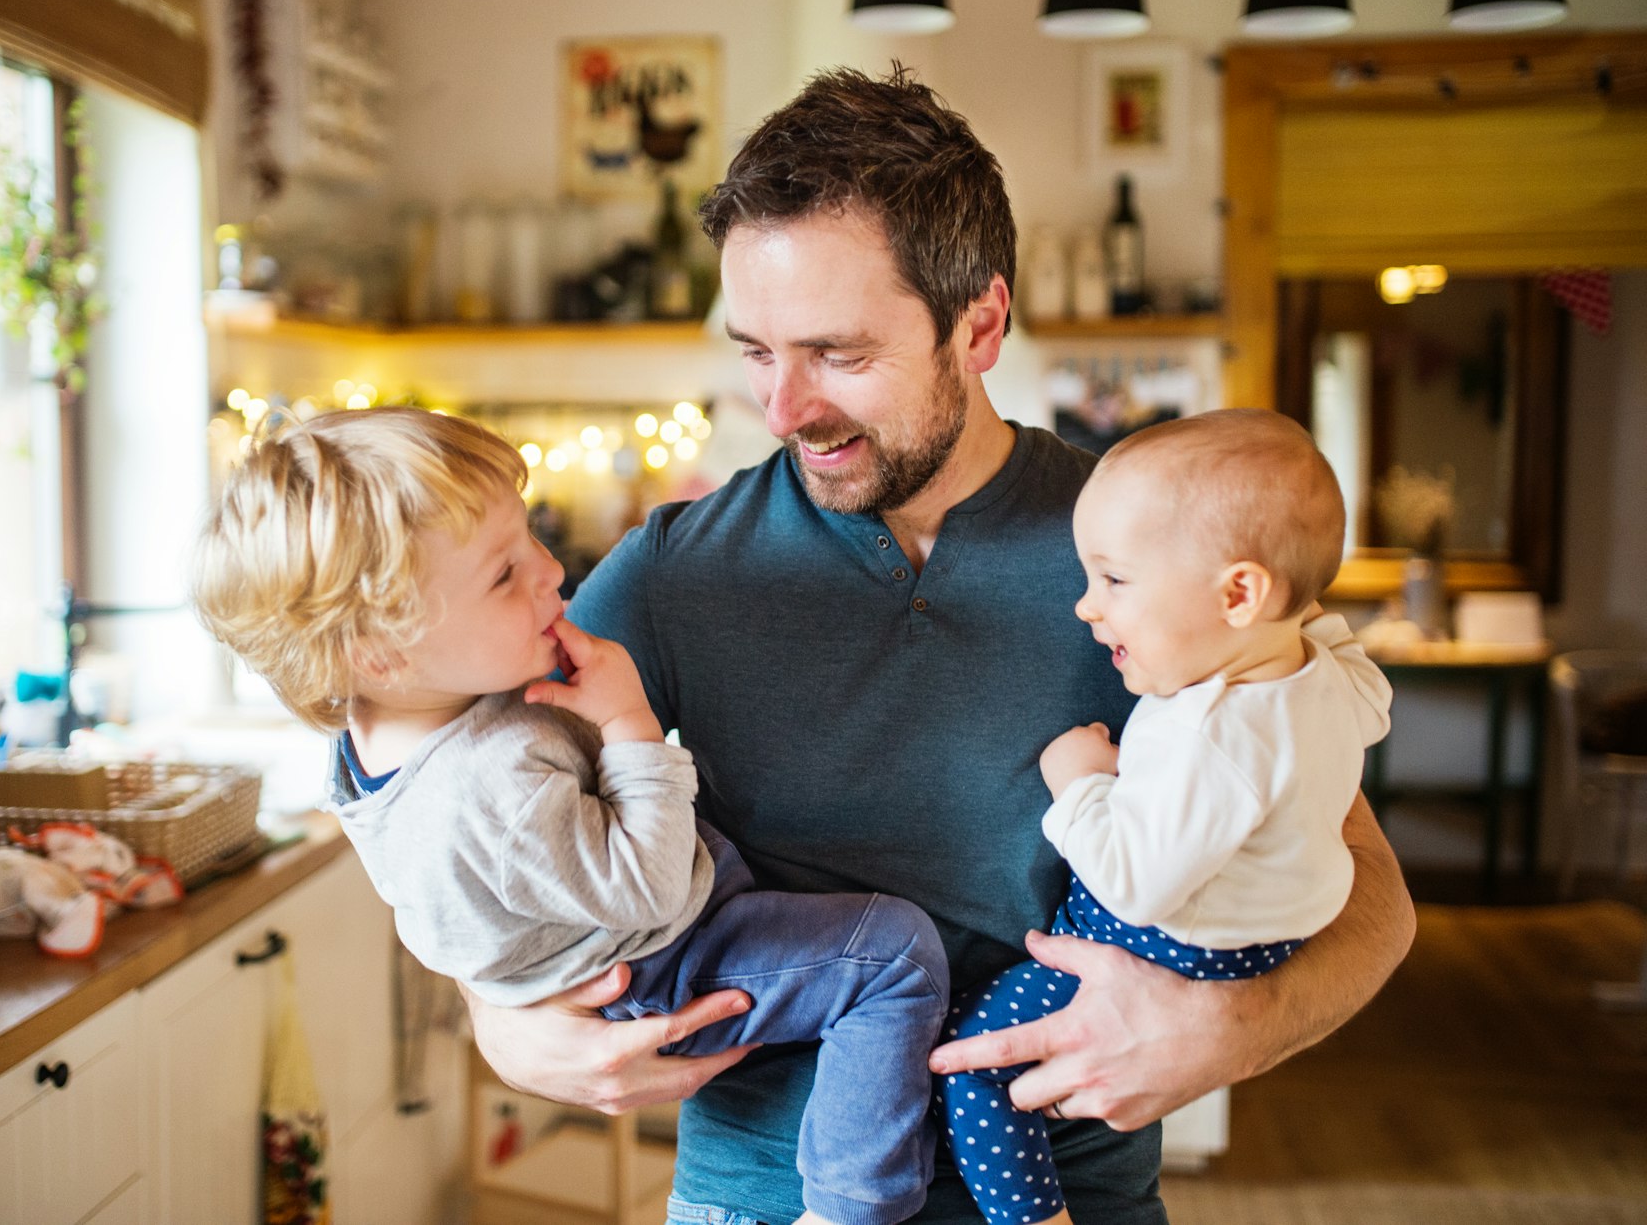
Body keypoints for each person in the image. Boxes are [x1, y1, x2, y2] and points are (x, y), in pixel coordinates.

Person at [464, 66, 1418, 1225]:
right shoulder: (674, 570)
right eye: (756, 351)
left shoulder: (1160, 546)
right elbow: (467, 803)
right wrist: (501, 1021)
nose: (782, 408)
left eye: (837, 353)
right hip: (761, 1199)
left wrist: (1235, 1027)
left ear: (979, 323)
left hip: (1078, 1195)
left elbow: (1370, 891)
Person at [191, 406, 952, 1225]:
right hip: (663, 960)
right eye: (502, 573)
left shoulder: (390, 730)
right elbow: (651, 887)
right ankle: (850, 1203)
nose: (551, 570)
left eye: (529, 537)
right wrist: (628, 720)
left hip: (627, 955)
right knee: (893, 955)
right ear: (379, 651)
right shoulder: (491, 783)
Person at [938, 410, 1393, 1225]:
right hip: (1267, 934)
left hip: (1165, 940)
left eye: (1114, 580)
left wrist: (1079, 781)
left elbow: (1133, 882)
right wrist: (1294, 608)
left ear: (1239, 593)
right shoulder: (1320, 676)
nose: (1087, 607)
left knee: (973, 1059)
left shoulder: (1209, 734)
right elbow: (1368, 688)